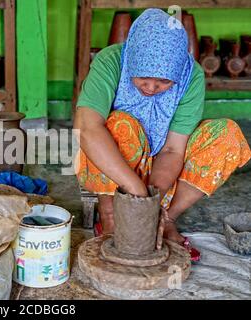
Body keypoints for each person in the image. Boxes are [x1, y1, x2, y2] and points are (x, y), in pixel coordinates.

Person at [74, 8, 251, 260]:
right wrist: (135, 188)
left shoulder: (191, 76)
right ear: (131, 62)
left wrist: (152, 203)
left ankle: (165, 217)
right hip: (118, 164)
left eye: (163, 82)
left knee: (227, 135)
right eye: (143, 78)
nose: (151, 88)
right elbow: (87, 129)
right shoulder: (110, 61)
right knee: (119, 124)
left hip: (163, 162)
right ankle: (111, 216)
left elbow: (173, 149)